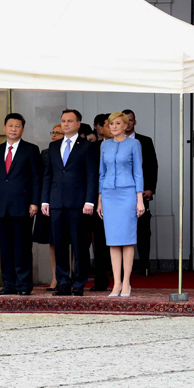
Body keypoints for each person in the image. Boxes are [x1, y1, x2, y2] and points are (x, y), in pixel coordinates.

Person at [42, 109, 98, 296]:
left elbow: (92, 176)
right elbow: (48, 175)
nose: (65, 124)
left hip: (78, 202)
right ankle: (63, 283)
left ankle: (79, 283)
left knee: (79, 244)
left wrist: (90, 200)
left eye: (69, 121)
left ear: (78, 124)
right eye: (63, 121)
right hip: (57, 201)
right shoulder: (53, 146)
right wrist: (44, 200)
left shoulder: (86, 146)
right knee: (59, 245)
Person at [0, 113, 41, 296]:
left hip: (24, 205)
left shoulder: (31, 150)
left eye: (17, 126)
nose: (13, 129)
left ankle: (24, 285)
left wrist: (35, 202)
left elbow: (36, 178)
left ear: (22, 129)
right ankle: (8, 284)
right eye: (10, 125)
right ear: (4, 128)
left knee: (22, 247)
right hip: (2, 206)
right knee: (6, 248)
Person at [97, 112, 145, 297]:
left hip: (127, 194)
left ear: (126, 125)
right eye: (111, 124)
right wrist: (100, 200)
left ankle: (126, 282)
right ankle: (116, 283)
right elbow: (102, 173)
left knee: (127, 238)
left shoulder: (134, 144)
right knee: (113, 240)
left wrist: (139, 199)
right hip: (109, 195)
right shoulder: (104, 145)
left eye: (118, 123)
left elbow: (138, 172)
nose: (114, 126)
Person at [123, 109, 158, 276]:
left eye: (130, 120)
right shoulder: (114, 141)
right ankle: (120, 268)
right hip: (120, 193)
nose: (128, 123)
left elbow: (152, 165)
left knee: (143, 230)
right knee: (121, 229)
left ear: (134, 122)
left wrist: (150, 188)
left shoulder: (145, 141)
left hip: (141, 192)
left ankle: (144, 264)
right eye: (125, 120)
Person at [33, 123, 62, 292]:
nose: (54, 135)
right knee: (52, 241)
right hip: (49, 202)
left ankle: (69, 275)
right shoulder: (45, 153)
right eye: (53, 132)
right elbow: (41, 178)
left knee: (69, 241)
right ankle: (55, 277)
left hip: (68, 202)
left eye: (58, 133)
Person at [88, 118, 111, 292]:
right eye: (108, 124)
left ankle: (122, 279)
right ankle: (101, 279)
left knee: (121, 240)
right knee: (100, 241)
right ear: (101, 128)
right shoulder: (94, 148)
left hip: (121, 197)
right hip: (99, 200)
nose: (111, 128)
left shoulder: (131, 145)